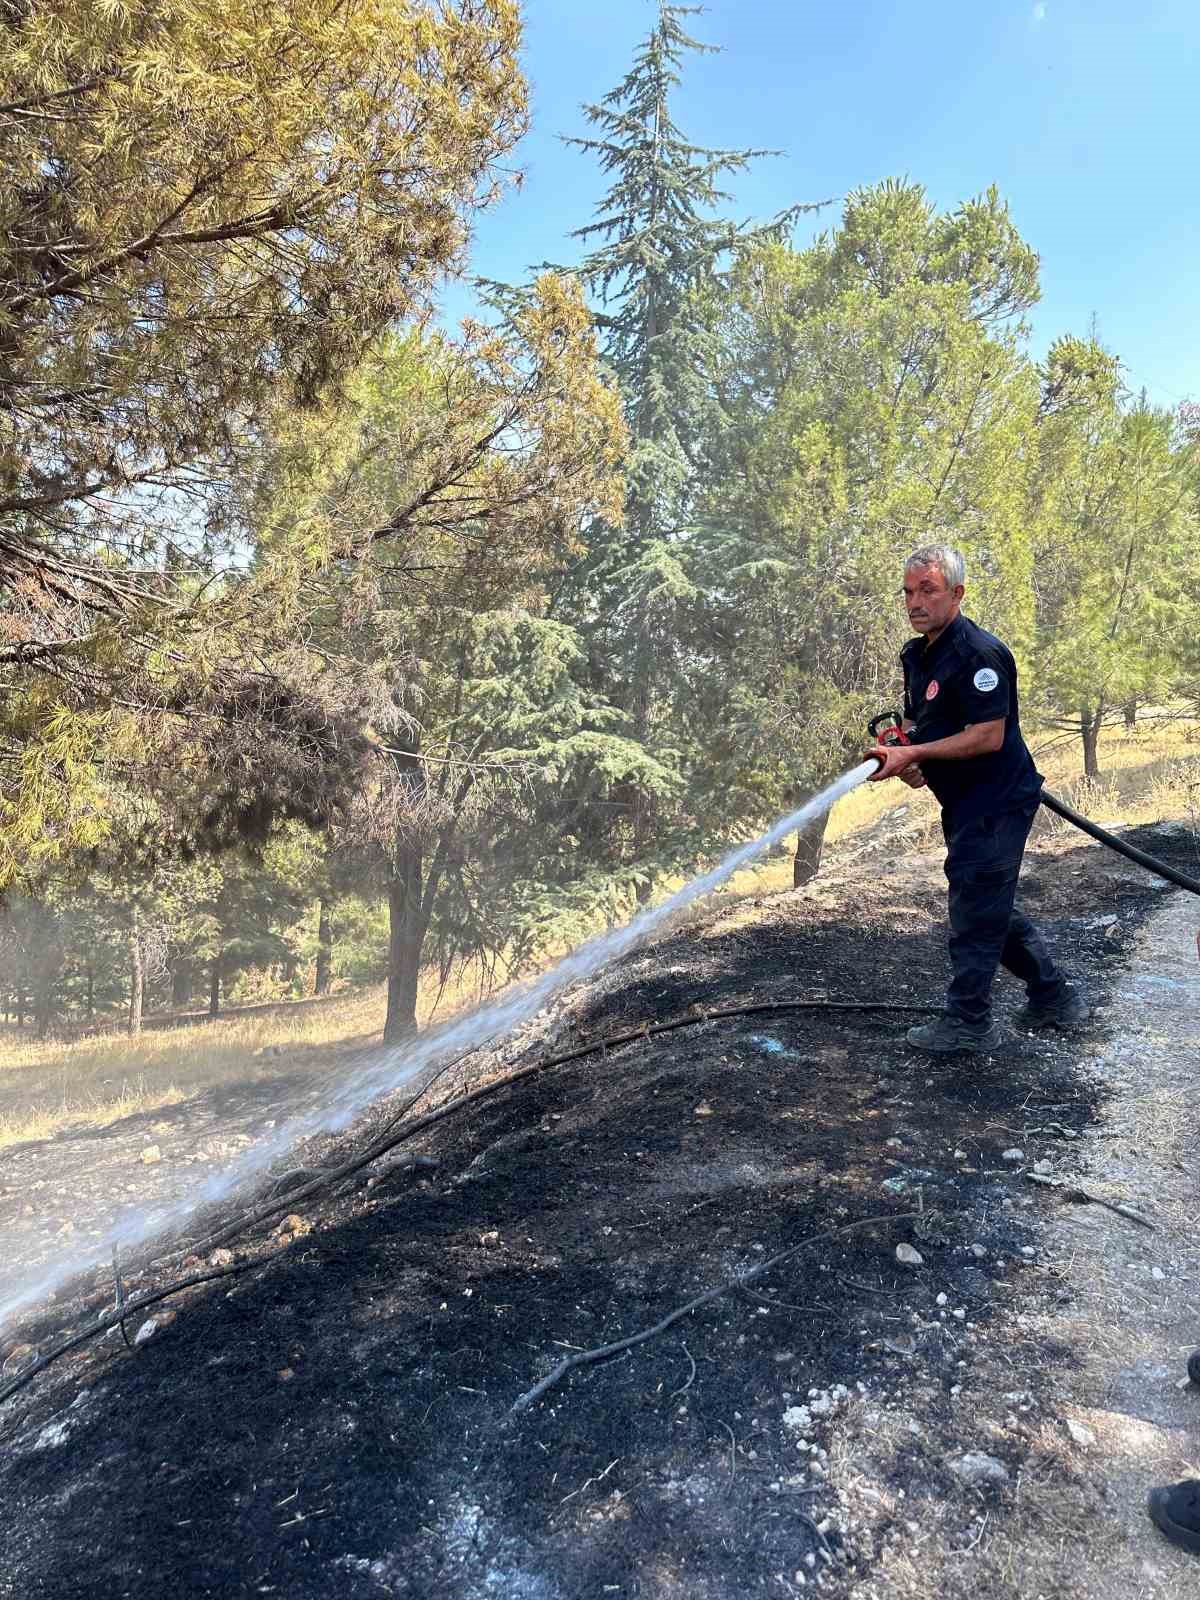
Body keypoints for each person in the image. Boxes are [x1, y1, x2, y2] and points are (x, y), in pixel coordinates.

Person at [864, 542, 1087, 1053]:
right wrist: (911, 755)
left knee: (973, 905)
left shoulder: (980, 654)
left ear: (957, 593)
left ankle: (968, 1021)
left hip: (998, 800)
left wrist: (918, 750)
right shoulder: (918, 654)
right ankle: (1053, 997)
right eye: (908, 591)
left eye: (928, 590)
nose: (914, 601)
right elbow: (927, 721)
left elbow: (988, 734)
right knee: (989, 904)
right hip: (964, 801)